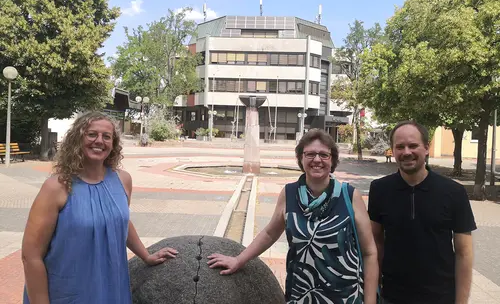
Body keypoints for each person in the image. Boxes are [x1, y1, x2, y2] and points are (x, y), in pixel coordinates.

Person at [21, 111, 179, 304]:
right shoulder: (56, 187)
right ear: (77, 138)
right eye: (91, 134)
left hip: (111, 288)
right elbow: (31, 256)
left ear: (113, 144)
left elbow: (120, 221)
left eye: (107, 136)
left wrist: (146, 256)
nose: (99, 141)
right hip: (66, 292)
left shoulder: (123, 180)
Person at [208, 129, 379, 304]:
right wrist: (238, 260)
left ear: (332, 160)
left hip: (346, 297)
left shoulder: (349, 196)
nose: (317, 160)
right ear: (301, 158)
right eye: (310, 154)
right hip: (301, 295)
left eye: (324, 155)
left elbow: (369, 253)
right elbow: (269, 233)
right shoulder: (289, 194)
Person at [368, 121, 476, 304]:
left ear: (426, 148)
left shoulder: (453, 192)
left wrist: (461, 302)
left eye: (413, 145)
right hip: (393, 297)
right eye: (400, 146)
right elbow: (375, 244)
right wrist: (373, 293)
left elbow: (464, 252)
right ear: (393, 150)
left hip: (441, 298)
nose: (406, 152)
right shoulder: (379, 189)